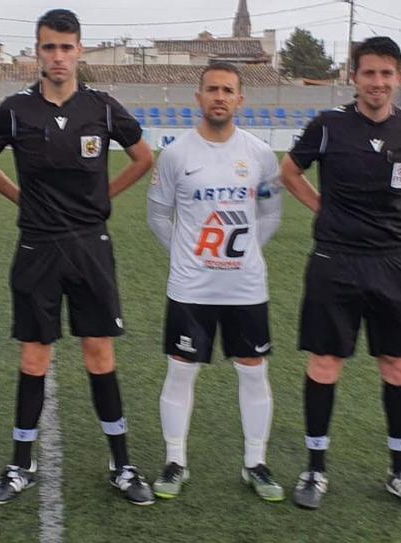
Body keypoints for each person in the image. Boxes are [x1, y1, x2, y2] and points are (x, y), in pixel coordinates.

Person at [0, 9, 156, 506]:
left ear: (79, 51)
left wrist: (105, 200)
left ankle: (122, 464)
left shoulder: (102, 107)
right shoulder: (15, 109)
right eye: (49, 47)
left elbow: (144, 157)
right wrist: (20, 199)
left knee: (99, 354)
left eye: (66, 47)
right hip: (37, 246)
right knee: (34, 357)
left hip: (90, 245)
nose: (57, 56)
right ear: (37, 51)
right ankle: (19, 465)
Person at [281, 36, 401, 512]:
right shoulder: (328, 126)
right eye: (369, 73)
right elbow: (290, 172)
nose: (378, 82)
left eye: (386, 74)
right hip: (336, 261)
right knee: (325, 363)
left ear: (399, 79)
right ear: (353, 77)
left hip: (395, 262)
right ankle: (315, 468)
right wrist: (322, 208)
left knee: (397, 365)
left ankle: (400, 472)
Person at [146, 62, 284, 502]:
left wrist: (243, 255)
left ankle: (256, 464)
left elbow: (271, 214)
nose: (219, 96)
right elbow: (156, 215)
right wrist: (187, 256)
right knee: (181, 371)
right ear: (199, 97)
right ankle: (174, 461)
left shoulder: (261, 155)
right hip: (191, 288)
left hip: (245, 288)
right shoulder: (176, 155)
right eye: (211, 89)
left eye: (228, 90)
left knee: (253, 372)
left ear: (240, 99)